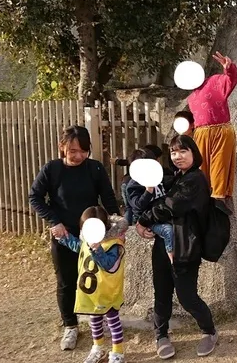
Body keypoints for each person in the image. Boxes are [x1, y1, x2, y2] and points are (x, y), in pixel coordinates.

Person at [29, 125, 119, 351]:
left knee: (95, 279)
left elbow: (108, 198)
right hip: (64, 234)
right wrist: (54, 222)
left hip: (94, 235)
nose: (78, 156)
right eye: (73, 151)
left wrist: (117, 226)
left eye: (83, 151)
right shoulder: (52, 169)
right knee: (67, 281)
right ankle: (70, 325)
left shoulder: (95, 168)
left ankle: (97, 319)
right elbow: (35, 197)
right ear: (62, 148)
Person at [135, 134, 218, 359]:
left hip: (186, 246)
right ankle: (161, 335)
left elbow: (171, 206)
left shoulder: (196, 180)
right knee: (161, 293)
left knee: (186, 295)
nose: (178, 156)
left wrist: (143, 220)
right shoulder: (175, 178)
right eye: (173, 152)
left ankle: (208, 331)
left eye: (183, 151)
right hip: (163, 244)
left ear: (194, 153)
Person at [55, 207, 128, 363]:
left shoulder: (114, 244)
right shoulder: (86, 241)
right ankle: (97, 348)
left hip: (108, 293)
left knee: (113, 322)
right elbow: (78, 247)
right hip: (90, 293)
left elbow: (108, 264)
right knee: (94, 321)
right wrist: (63, 238)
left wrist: (97, 250)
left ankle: (117, 353)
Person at [187, 52, 237, 199]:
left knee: (219, 172)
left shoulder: (215, 81)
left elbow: (232, 79)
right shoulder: (191, 97)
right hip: (201, 134)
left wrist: (229, 68)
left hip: (221, 130)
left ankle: (218, 206)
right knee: (200, 172)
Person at [125, 148, 174, 262]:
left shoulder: (159, 178)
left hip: (160, 215)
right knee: (168, 230)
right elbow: (137, 206)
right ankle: (171, 254)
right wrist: (148, 190)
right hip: (147, 221)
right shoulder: (133, 186)